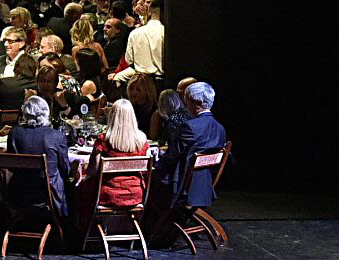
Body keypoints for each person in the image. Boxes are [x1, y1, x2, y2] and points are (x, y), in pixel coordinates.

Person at [74, 98, 150, 233]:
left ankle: (83, 231)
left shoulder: (104, 140)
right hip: (136, 194)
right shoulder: (142, 141)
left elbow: (93, 171)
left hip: (108, 193)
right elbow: (145, 171)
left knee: (78, 187)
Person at [153, 81, 227, 215]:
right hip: (204, 186)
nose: (185, 106)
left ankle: (151, 229)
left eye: (187, 101)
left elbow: (171, 156)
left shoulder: (190, 127)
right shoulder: (220, 128)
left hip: (183, 186)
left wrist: (154, 165)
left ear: (196, 103)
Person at [6, 96, 73, 220]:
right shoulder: (57, 136)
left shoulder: (14, 133)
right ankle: (67, 228)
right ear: (46, 113)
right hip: (48, 193)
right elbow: (66, 169)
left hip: (19, 191)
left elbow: (12, 166)